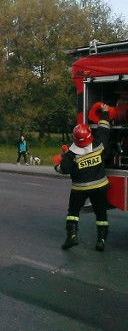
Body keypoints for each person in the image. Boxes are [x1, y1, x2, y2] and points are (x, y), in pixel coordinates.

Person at [54, 103, 112, 251]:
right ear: (89, 135)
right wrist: (104, 113)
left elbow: (63, 170)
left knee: (73, 213)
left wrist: (58, 163)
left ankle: (71, 238)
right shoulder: (99, 144)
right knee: (101, 213)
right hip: (99, 187)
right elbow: (104, 129)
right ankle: (101, 241)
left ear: (75, 138)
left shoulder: (71, 154)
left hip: (79, 189)